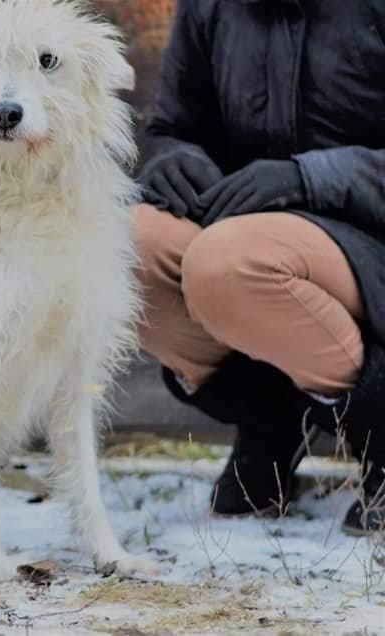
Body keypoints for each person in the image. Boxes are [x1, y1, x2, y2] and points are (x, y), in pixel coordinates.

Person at [134, 0, 385, 534]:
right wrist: (170, 159)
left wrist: (308, 177)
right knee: (122, 247)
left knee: (227, 265)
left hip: (371, 241)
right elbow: (174, 125)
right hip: (256, 231)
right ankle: (270, 427)